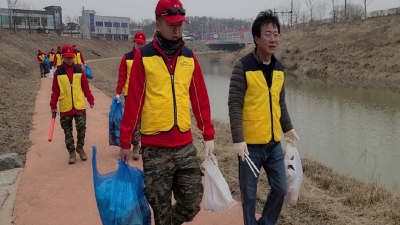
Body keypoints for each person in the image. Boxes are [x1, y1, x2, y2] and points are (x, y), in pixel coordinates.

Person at [119, 0, 215, 224]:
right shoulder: (144, 56)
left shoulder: (189, 58)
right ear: (158, 24)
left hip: (184, 145)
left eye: (180, 24)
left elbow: (199, 98)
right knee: (159, 208)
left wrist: (208, 133)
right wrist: (125, 141)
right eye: (171, 24)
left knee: (191, 203)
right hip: (155, 149)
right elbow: (134, 102)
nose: (177, 29)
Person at [228, 10, 299, 225]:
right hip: (250, 147)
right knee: (249, 195)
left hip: (273, 143)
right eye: (268, 34)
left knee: (280, 188)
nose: (273, 39)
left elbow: (280, 102)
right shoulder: (243, 67)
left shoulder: (278, 67)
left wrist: (287, 128)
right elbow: (234, 105)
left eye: (276, 34)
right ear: (257, 38)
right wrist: (238, 140)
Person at [50, 45, 95, 164]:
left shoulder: (79, 70)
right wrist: (53, 105)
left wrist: (90, 99)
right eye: (67, 57)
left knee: (81, 129)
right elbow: (55, 91)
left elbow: (85, 86)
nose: (69, 59)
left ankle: (80, 147)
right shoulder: (58, 73)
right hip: (65, 107)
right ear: (63, 57)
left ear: (74, 57)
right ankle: (71, 152)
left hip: (79, 106)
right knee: (67, 132)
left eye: (71, 57)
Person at [115, 31, 146, 160]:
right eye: (138, 43)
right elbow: (122, 75)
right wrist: (118, 92)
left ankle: (144, 145)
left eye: (141, 44)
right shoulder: (127, 57)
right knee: (135, 121)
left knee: (145, 120)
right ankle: (135, 146)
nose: (139, 45)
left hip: (146, 94)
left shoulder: (148, 57)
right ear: (134, 43)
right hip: (130, 94)